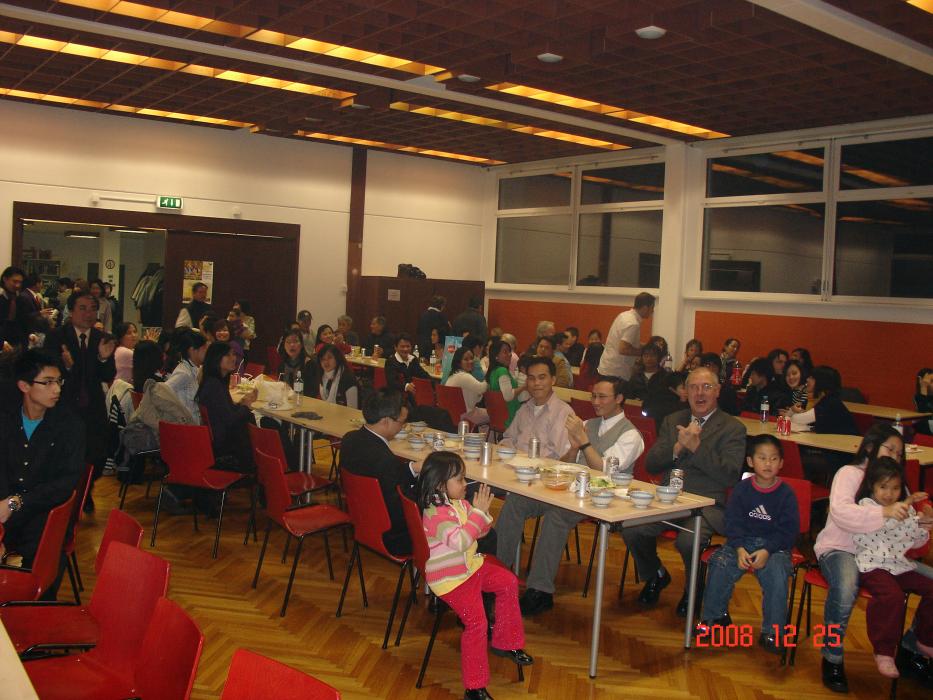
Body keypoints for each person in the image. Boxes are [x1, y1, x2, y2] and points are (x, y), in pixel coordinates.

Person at [811, 424, 932, 692]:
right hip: (840, 548)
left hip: (885, 557)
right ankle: (831, 657)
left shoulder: (896, 483)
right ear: (870, 447)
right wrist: (885, 512)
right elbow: (841, 514)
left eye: (900, 453)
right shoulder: (850, 473)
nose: (895, 457)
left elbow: (908, 539)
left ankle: (911, 648)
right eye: (890, 449)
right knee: (845, 587)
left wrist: (922, 526)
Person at [622, 366, 746, 617]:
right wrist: (677, 448)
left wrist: (697, 448)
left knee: (688, 541)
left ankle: (694, 591)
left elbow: (730, 475)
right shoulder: (673, 420)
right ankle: (656, 574)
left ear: (717, 391)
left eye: (706, 387)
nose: (700, 393)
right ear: (685, 392)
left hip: (706, 504)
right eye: (693, 387)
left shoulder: (732, 428)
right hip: (669, 499)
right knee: (631, 528)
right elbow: (651, 464)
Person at [417, 452, 532, 699]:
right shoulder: (434, 513)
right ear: (441, 485)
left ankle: (505, 642)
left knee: (508, 582)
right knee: (477, 623)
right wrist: (477, 516)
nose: (465, 484)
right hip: (449, 580)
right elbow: (461, 541)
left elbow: (482, 531)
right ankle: (474, 687)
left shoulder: (459, 503)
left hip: (470, 567)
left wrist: (481, 515)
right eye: (459, 479)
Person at [697, 435, 799, 654]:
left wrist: (767, 550)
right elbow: (732, 522)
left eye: (774, 459)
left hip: (774, 547)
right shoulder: (742, 489)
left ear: (781, 463)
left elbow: (788, 531)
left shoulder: (786, 494)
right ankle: (713, 618)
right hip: (740, 543)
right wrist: (739, 547)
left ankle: (773, 632)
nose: (768, 463)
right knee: (720, 563)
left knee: (777, 573)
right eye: (762, 458)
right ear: (750, 461)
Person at [494, 356, 576, 616]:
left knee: (554, 516)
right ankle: (496, 573)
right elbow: (508, 438)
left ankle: (540, 589)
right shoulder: (525, 409)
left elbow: (566, 460)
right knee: (512, 503)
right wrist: (507, 451)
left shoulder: (563, 413)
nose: (536, 383)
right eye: (531, 378)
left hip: (551, 485)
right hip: (521, 480)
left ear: (553, 380)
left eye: (542, 378)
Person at [0, 349, 83, 569]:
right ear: (24, 386)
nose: (56, 389)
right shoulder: (6, 421)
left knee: (38, 550)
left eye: (58, 381)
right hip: (6, 509)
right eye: (47, 382)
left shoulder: (69, 426)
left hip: (45, 512)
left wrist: (15, 502)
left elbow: (64, 484)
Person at [853, 456, 933, 679]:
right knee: (892, 596)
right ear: (872, 486)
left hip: (898, 564)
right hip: (872, 564)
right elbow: (886, 527)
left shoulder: (904, 509)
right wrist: (908, 509)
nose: (889, 494)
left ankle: (925, 639)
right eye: (883, 487)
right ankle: (884, 651)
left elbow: (914, 543)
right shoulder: (866, 506)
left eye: (895, 488)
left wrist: (924, 525)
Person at [43, 291, 116, 513]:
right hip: (64, 404)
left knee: (97, 453)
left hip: (93, 406)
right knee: (67, 453)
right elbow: (47, 371)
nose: (88, 313)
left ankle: (86, 490)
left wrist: (103, 358)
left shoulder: (102, 338)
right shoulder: (57, 337)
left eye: (92, 309)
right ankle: (69, 496)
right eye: (82, 308)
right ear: (71, 311)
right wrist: (65, 366)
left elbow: (107, 375)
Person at [339, 388, 419, 556]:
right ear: (385, 421)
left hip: (362, 523)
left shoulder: (349, 439)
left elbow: (384, 477)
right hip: (392, 537)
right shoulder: (385, 460)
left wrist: (413, 468)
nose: (402, 427)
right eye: (401, 422)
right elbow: (399, 512)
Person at [196, 341, 257, 470]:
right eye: (227, 355)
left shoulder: (216, 381)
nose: (233, 358)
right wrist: (245, 406)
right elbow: (230, 420)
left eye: (233, 354)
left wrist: (241, 403)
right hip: (224, 444)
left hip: (220, 437)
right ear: (216, 358)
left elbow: (226, 411)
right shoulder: (214, 385)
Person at [564, 377, 644, 473]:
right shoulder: (586, 424)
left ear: (618, 399)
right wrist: (574, 449)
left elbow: (605, 470)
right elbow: (563, 467)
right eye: (593, 396)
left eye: (602, 397)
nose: (595, 402)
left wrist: (583, 441)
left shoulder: (631, 435)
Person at [598, 292, 655, 381]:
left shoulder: (623, 315)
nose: (653, 311)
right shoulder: (633, 324)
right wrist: (644, 353)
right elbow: (623, 349)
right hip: (616, 372)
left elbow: (627, 343)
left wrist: (647, 346)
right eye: (652, 308)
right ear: (645, 308)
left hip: (607, 367)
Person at [790, 365, 859, 436]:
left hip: (847, 441)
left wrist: (796, 412)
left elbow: (796, 419)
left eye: (812, 378)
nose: (807, 379)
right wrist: (794, 411)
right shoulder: (816, 399)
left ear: (822, 382)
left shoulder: (830, 402)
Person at [165, 328, 208, 423]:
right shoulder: (184, 373)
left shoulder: (192, 369)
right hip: (186, 426)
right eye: (204, 348)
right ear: (193, 350)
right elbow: (162, 391)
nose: (207, 352)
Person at [444, 345, 489, 426]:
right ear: (459, 362)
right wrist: (490, 372)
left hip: (453, 415)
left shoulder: (453, 376)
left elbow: (477, 397)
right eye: (466, 359)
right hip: (464, 415)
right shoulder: (463, 376)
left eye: (471, 358)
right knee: (494, 414)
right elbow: (482, 388)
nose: (470, 361)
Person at [306, 344, 359, 408]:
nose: (326, 362)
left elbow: (352, 409)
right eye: (323, 359)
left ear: (337, 358)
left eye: (330, 358)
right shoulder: (322, 376)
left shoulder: (348, 380)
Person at [485, 338, 523, 428]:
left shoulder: (492, 372)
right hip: (511, 418)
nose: (510, 354)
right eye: (505, 352)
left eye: (509, 351)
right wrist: (524, 387)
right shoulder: (502, 371)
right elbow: (508, 396)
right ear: (496, 356)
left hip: (497, 418)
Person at [0, 265, 27, 349]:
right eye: (14, 281)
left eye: (20, 282)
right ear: (5, 279)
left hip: (18, 344)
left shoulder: (21, 300)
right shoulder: (1, 299)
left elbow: (23, 322)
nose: (17, 285)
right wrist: (2, 342)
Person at [915, 368, 933, 436]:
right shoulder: (919, 398)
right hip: (926, 430)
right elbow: (923, 414)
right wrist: (923, 388)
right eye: (932, 381)